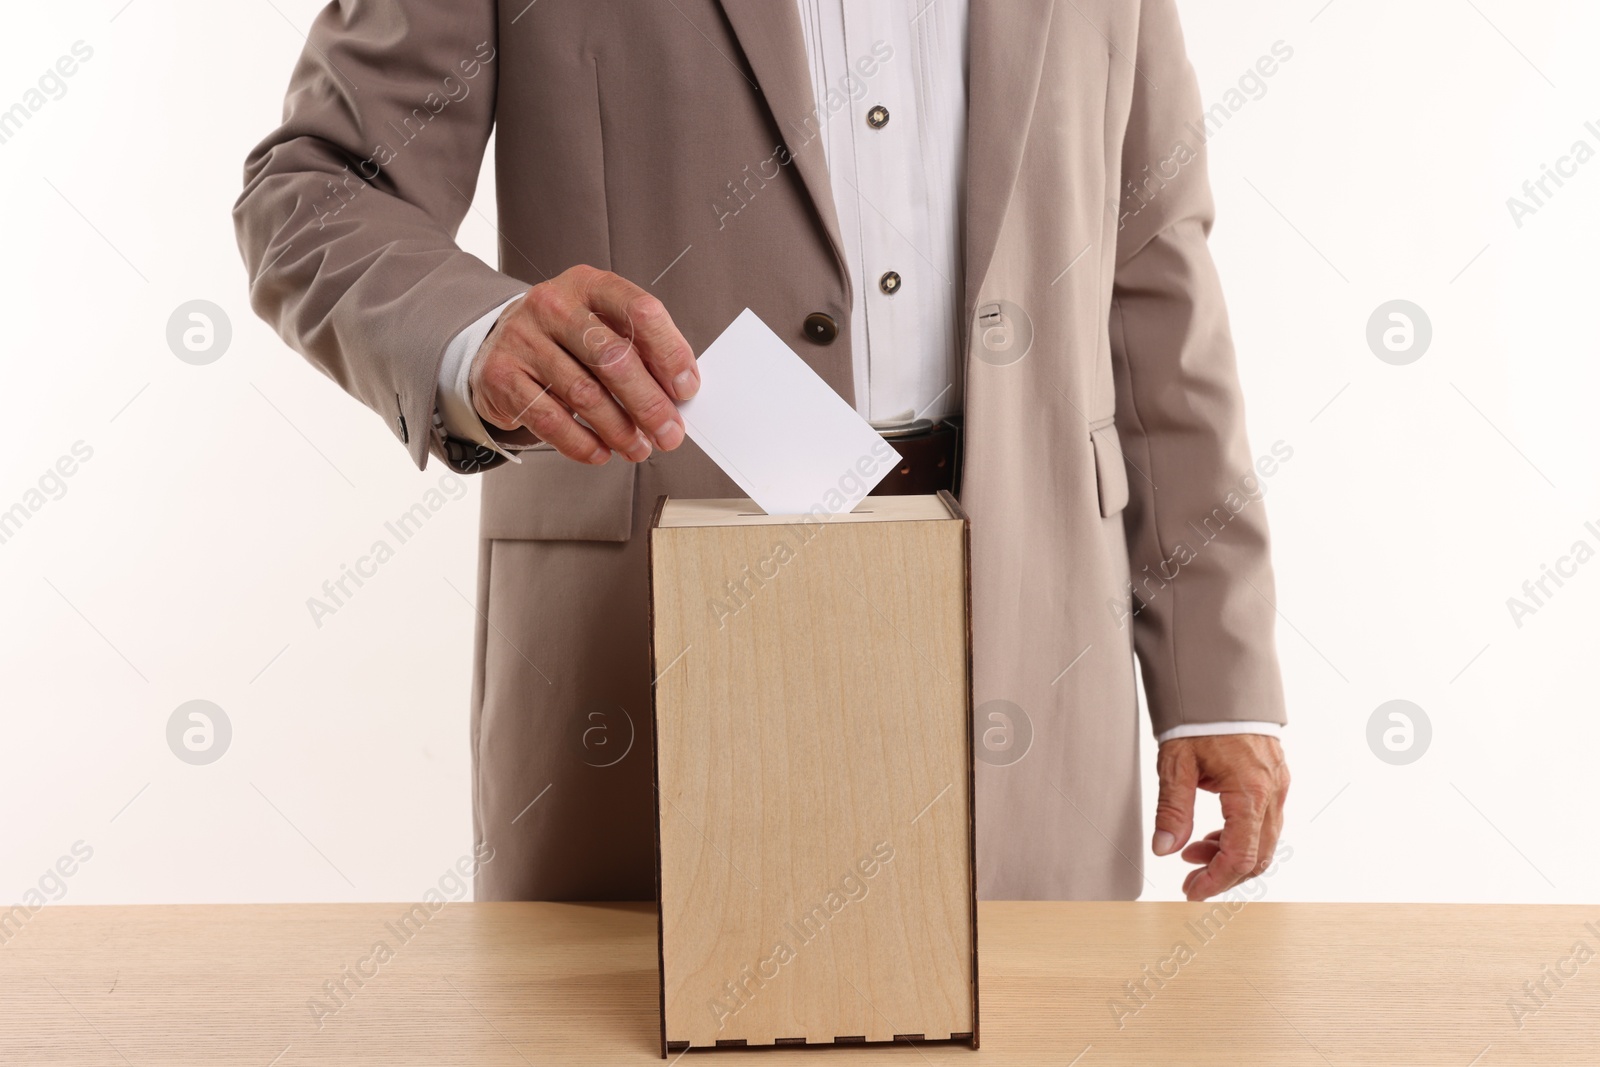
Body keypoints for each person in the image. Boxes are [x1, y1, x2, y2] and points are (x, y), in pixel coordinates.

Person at [234, 0, 1290, 903]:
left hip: (1036, 656)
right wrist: (479, 335)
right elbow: (314, 189)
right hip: (646, 648)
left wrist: (1213, 671)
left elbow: (1151, 268)